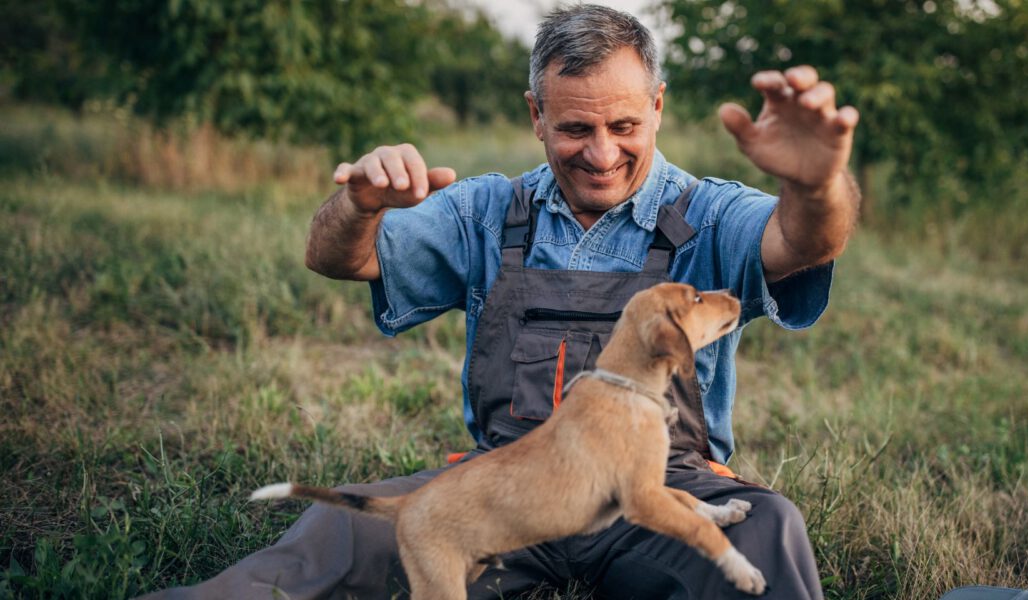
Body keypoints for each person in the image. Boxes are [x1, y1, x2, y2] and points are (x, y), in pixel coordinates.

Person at [144, 4, 859, 599]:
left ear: (658, 107)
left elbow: (801, 241)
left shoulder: (710, 212)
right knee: (337, 532)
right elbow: (339, 257)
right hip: (507, 492)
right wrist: (360, 206)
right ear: (536, 115)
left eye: (624, 127)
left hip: (660, 490)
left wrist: (818, 184)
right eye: (576, 128)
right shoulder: (485, 211)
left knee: (768, 528)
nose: (603, 155)